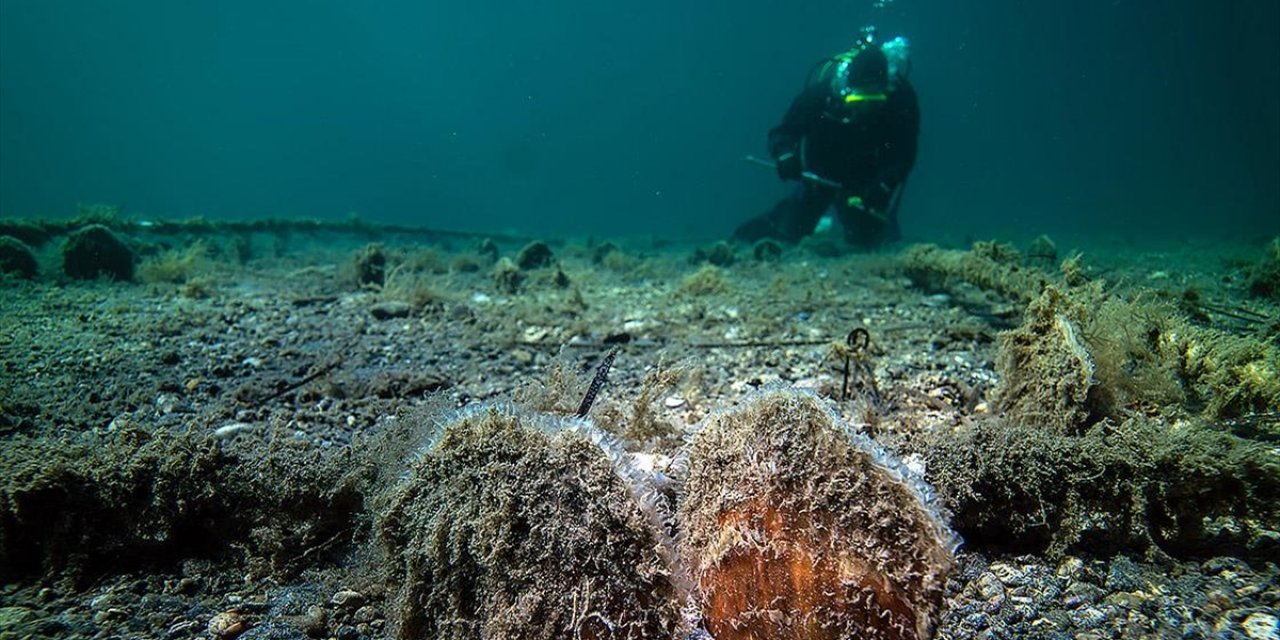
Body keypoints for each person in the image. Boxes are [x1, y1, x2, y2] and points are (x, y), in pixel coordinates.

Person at [735, 28, 919, 249]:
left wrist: (886, 184)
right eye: (858, 101)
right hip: (820, 173)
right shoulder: (821, 96)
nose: (865, 110)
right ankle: (745, 237)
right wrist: (785, 155)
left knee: (869, 240)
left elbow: (906, 153)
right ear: (846, 91)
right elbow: (783, 133)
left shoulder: (901, 103)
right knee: (786, 230)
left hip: (870, 182)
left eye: (874, 102)